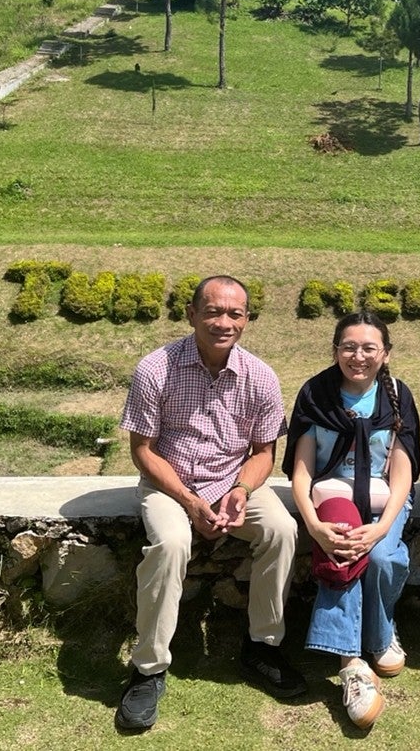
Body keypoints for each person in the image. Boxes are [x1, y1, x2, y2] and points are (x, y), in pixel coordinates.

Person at [115, 275, 305, 732]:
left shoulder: (260, 375)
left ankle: (263, 646)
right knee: (172, 543)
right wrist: (188, 499)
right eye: (214, 312)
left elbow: (264, 453)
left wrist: (239, 490)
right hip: (169, 485)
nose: (225, 322)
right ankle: (149, 668)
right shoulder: (156, 368)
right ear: (191, 315)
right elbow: (142, 449)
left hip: (231, 484)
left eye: (235, 314)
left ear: (246, 319)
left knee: (282, 530)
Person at [283, 312, 420, 730]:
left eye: (368, 348)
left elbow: (402, 471)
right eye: (348, 346)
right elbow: (302, 471)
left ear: (385, 353)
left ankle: (380, 632)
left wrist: (381, 528)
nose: (357, 356)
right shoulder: (316, 394)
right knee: (341, 547)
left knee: (382, 557)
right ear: (335, 350)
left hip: (385, 500)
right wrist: (314, 526)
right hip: (333, 498)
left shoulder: (397, 395)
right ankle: (352, 663)